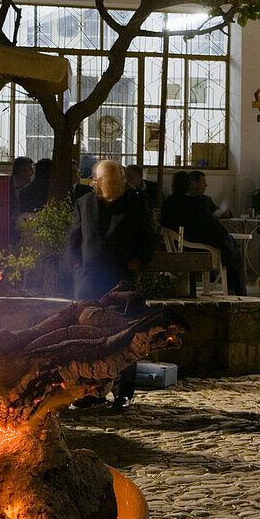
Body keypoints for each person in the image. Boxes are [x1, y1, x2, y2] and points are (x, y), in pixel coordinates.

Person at [66, 160, 153, 409]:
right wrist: (75, 264)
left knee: (126, 335)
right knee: (89, 338)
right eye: (111, 180)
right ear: (98, 182)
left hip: (121, 279)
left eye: (120, 180)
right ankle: (90, 392)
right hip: (89, 282)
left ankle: (123, 391)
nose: (117, 184)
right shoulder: (85, 204)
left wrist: (138, 262)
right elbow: (75, 238)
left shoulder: (135, 204)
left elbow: (146, 240)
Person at [162, 171, 247, 296]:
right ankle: (238, 292)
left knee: (229, 247)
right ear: (190, 185)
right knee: (233, 251)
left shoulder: (167, 203)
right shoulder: (197, 203)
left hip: (176, 249)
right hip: (199, 250)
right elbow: (214, 227)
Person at [9, 156, 35, 244]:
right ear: (21, 171)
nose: (32, 173)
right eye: (30, 170)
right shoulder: (5, 186)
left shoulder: (29, 190)